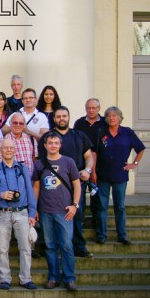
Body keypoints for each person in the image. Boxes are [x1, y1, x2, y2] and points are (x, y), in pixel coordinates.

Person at [38, 106, 94, 258]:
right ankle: (50, 248)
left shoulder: (79, 135)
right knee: (49, 218)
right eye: (58, 116)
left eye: (64, 116)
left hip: (74, 185)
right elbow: (41, 161)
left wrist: (87, 170)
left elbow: (89, 156)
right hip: (52, 186)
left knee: (77, 215)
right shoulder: (48, 138)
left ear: (69, 117)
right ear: (54, 119)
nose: (61, 119)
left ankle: (79, 247)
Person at [0, 138, 37, 290]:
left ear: (15, 150)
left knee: (26, 248)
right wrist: (1, 195)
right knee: (2, 249)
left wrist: (32, 213)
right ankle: (4, 278)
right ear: (0, 150)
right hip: (2, 214)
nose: (8, 150)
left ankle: (26, 279)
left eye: (11, 148)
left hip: (22, 212)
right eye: (5, 148)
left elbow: (29, 191)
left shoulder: (22, 168)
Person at [33, 131, 82, 291]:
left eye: (56, 143)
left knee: (67, 245)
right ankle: (53, 277)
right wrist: (35, 208)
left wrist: (75, 205)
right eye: (50, 143)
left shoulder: (68, 162)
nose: (53, 145)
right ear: (45, 145)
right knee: (50, 245)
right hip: (46, 211)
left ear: (60, 145)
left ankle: (69, 278)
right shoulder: (39, 164)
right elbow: (37, 187)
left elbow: (77, 185)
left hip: (64, 211)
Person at [91, 106, 145, 245]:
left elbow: (140, 148)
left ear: (120, 117)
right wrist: (93, 171)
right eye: (108, 115)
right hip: (102, 174)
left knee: (119, 206)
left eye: (114, 115)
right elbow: (94, 152)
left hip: (120, 175)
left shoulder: (127, 132)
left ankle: (122, 234)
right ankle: (102, 235)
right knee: (102, 206)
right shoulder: (101, 132)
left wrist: (134, 163)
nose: (111, 118)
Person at [73, 98, 106, 225]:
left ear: (99, 108)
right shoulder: (79, 123)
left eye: (94, 108)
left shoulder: (104, 123)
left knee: (97, 194)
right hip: (83, 163)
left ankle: (96, 221)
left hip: (100, 163)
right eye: (88, 108)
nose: (91, 110)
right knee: (81, 193)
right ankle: (81, 219)